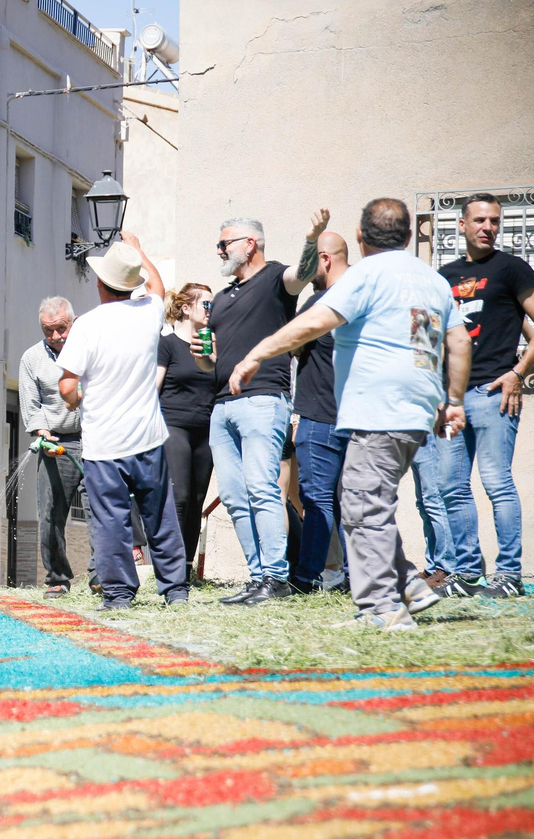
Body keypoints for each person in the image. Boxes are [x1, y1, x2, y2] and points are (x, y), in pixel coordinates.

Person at [229, 198, 471, 630]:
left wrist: (255, 354)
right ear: (410, 235)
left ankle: (383, 610)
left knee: (361, 506)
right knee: (367, 501)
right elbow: (451, 342)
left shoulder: (366, 276)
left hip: (379, 410)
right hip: (415, 408)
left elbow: (313, 323)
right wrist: (451, 399)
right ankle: (409, 583)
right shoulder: (428, 280)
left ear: (361, 238)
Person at [195, 210, 330, 604]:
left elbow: (302, 275)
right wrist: (202, 357)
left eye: (225, 244)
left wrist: (312, 238)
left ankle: (276, 577)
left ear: (249, 244)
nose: (219, 251)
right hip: (222, 406)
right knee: (235, 497)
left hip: (264, 399)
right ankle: (258, 579)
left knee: (262, 489)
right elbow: (210, 361)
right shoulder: (219, 300)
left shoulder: (275, 279)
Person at [56, 237, 188, 610]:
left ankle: (118, 596)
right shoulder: (148, 313)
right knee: (159, 515)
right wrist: (138, 251)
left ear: (100, 284)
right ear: (131, 284)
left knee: (111, 522)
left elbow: (67, 386)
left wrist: (80, 397)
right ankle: (175, 591)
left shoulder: (88, 325)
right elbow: (158, 286)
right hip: (147, 436)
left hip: (104, 442)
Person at [437, 193, 534, 597]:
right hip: (452, 399)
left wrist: (517, 373)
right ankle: (466, 574)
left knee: (497, 483)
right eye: (478, 220)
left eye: (494, 221)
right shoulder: (442, 276)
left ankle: (509, 575)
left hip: (494, 393)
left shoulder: (512, 269)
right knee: (451, 487)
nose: (487, 227)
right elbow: (428, 339)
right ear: (462, 225)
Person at [287, 233, 352, 594]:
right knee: (351, 502)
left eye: (311, 262)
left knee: (316, 499)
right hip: (356, 418)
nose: (306, 271)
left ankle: (306, 576)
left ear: (325, 259)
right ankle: (354, 578)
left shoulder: (320, 302)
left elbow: (294, 346)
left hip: (319, 415)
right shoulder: (364, 297)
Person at [20, 296, 91, 597]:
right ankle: (57, 578)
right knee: (50, 514)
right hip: (56, 442)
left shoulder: (90, 347)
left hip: (94, 439)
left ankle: (102, 574)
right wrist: (42, 433)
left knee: (101, 510)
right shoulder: (31, 359)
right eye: (48, 330)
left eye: (61, 328)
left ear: (72, 322)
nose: (55, 336)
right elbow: (31, 404)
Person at [156, 282, 215, 572]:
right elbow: (154, 388)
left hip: (205, 430)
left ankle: (187, 567)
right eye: (206, 304)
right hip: (174, 426)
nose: (210, 310)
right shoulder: (167, 344)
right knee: (178, 497)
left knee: (196, 499)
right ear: (185, 308)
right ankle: (171, 569)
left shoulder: (211, 346)